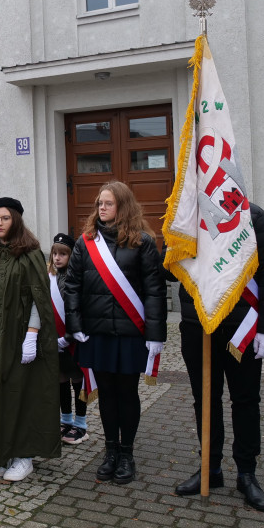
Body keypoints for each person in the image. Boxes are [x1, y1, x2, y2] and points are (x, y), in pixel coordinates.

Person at [170, 202, 264, 512]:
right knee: (205, 399)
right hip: (198, 325)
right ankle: (211, 467)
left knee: (245, 401)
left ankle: (247, 473)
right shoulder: (189, 216)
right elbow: (166, 267)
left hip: (241, 326)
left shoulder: (254, 217)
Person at [63, 181, 166, 484]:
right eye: (99, 204)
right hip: (97, 334)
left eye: (108, 203)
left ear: (123, 206)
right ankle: (110, 451)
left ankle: (127, 453)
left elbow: (154, 291)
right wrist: (76, 325)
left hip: (130, 333)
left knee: (127, 393)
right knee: (106, 394)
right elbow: (72, 288)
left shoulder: (143, 242)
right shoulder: (85, 242)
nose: (102, 208)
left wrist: (156, 334)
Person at [0, 198, 59, 482]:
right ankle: (0, 452)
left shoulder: (31, 254)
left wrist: (32, 335)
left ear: (16, 220)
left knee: (21, 394)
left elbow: (39, 299)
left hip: (19, 336)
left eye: (5, 218)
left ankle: (24, 456)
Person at [49, 233, 89, 445]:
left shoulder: (77, 278)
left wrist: (69, 336)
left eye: (62, 254)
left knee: (77, 381)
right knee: (61, 379)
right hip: (56, 341)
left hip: (74, 340)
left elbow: (79, 310)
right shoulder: (50, 278)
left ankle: (81, 423)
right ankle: (65, 420)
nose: (57, 258)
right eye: (54, 253)